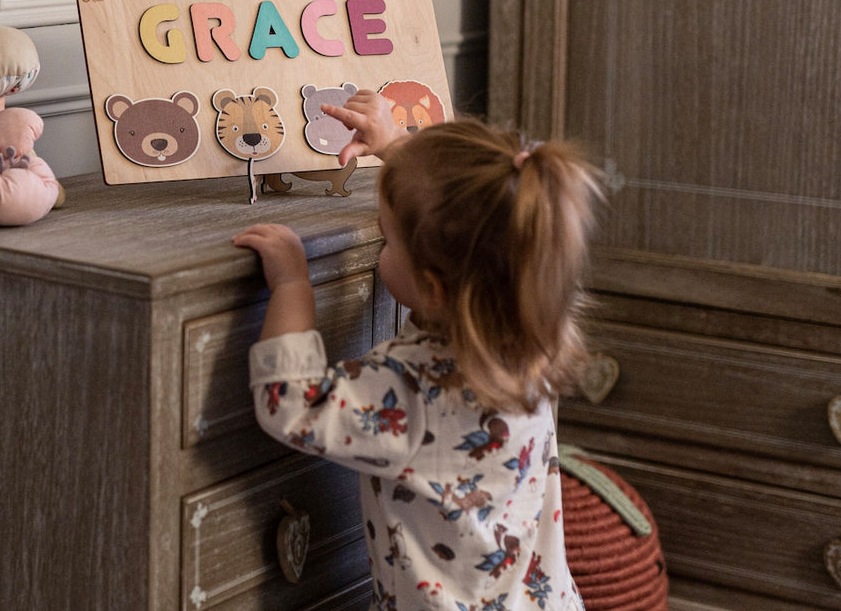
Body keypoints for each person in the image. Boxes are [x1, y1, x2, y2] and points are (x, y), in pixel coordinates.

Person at [235, 90, 600, 611]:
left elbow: (291, 402)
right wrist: (397, 146)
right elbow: (473, 208)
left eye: (386, 238)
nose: (384, 246)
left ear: (434, 289)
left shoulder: (411, 386)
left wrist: (293, 285)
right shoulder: (540, 333)